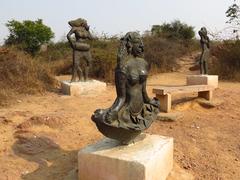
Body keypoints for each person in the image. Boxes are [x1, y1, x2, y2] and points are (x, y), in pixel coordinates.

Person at [92, 32, 159, 144]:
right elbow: (121, 97)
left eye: (142, 43)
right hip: (127, 111)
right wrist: (113, 111)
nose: (142, 46)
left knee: (155, 105)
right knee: (102, 117)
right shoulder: (122, 67)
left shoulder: (144, 63)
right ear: (130, 45)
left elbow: (143, 90)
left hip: (141, 108)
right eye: (138, 42)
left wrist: (150, 101)